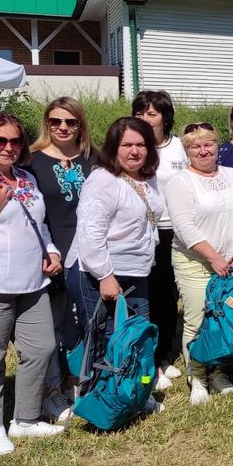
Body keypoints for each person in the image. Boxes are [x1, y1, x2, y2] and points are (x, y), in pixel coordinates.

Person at [65, 117, 164, 416]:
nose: (135, 151)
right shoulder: (103, 180)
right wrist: (105, 276)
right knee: (104, 336)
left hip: (136, 271)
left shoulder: (147, 178)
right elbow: (90, 234)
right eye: (127, 145)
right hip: (97, 272)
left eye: (141, 145)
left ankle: (130, 391)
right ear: (113, 147)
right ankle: (98, 398)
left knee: (135, 336)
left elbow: (149, 221)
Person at [0, 113, 64, 455]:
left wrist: (50, 250)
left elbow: (41, 224)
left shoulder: (26, 178)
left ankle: (25, 418)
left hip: (33, 283)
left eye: (15, 141)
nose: (9, 147)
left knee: (41, 348)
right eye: (0, 141)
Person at [165, 123, 233, 404]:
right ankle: (197, 376)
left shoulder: (231, 175)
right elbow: (183, 226)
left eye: (208, 144)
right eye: (195, 146)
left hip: (232, 261)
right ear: (187, 150)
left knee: (226, 318)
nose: (203, 151)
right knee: (199, 319)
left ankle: (217, 372)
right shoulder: (181, 181)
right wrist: (213, 257)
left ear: (217, 146)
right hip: (196, 261)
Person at [25, 97, 98, 422]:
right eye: (55, 121)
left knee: (86, 322)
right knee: (53, 328)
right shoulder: (31, 161)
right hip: (50, 256)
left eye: (71, 122)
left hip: (89, 255)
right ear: (47, 123)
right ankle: (51, 392)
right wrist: (44, 251)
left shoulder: (92, 159)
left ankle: (81, 381)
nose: (63, 128)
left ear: (80, 125)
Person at [132, 90, 188, 390]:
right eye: (139, 113)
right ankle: (148, 361)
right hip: (142, 232)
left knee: (168, 296)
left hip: (174, 229)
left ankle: (165, 355)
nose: (144, 118)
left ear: (165, 117)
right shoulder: (132, 147)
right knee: (146, 295)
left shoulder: (179, 147)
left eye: (151, 113)